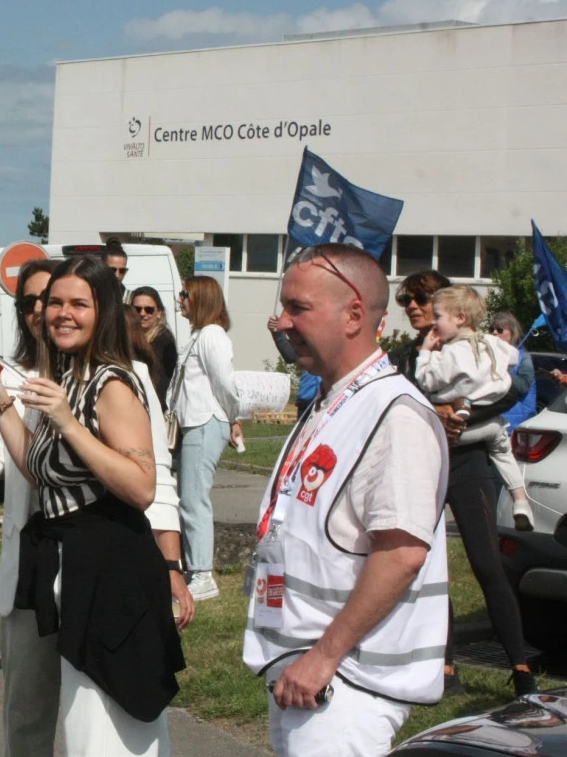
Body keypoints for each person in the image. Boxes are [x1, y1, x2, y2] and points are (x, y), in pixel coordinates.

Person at [0, 258, 192, 756]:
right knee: (83, 733)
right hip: (70, 570)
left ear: (103, 312)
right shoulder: (67, 379)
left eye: (79, 303)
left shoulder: (111, 383)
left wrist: (68, 422)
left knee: (108, 735)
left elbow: (144, 486)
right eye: (54, 302)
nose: (61, 313)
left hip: (110, 571)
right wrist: (2, 405)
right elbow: (39, 472)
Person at [247, 245, 450, 756]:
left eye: (299, 308)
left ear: (354, 314)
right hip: (305, 672)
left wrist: (324, 656)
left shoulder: (395, 414)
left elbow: (402, 554)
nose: (284, 322)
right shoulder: (336, 401)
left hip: (345, 684)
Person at [388, 270, 538, 698]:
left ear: (452, 310)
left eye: (422, 299)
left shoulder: (475, 349)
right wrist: (439, 410)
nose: (416, 308)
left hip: (468, 463)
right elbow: (397, 401)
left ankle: (521, 667)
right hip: (422, 465)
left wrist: (468, 410)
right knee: (425, 567)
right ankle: (444, 663)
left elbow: (511, 380)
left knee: (487, 563)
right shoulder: (404, 355)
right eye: (408, 301)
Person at [415, 287, 534, 531]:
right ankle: (520, 501)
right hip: (491, 423)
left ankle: (463, 406)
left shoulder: (450, 353)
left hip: (457, 432)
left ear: (460, 318)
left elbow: (426, 380)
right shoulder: (492, 342)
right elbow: (513, 357)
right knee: (503, 452)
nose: (434, 322)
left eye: (438, 316)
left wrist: (426, 352)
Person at [169, 276, 242, 601]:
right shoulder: (198, 335)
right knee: (188, 498)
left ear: (201, 299)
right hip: (193, 424)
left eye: (186, 294)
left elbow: (225, 383)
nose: (181, 299)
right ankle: (194, 568)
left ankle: (202, 574)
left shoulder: (212, 335)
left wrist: (231, 416)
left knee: (194, 499)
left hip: (205, 422)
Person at [489, 312, 537, 430]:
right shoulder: (489, 356)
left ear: (512, 333)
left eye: (500, 330)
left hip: (516, 423)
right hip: (492, 421)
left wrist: (503, 370)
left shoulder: (523, 357)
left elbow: (524, 386)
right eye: (491, 329)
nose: (494, 333)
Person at [130, 286, 177, 406]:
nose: (142, 314)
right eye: (137, 309)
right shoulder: (130, 337)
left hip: (153, 406)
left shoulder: (164, 340)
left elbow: (162, 382)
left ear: (159, 313)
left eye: (149, 310)